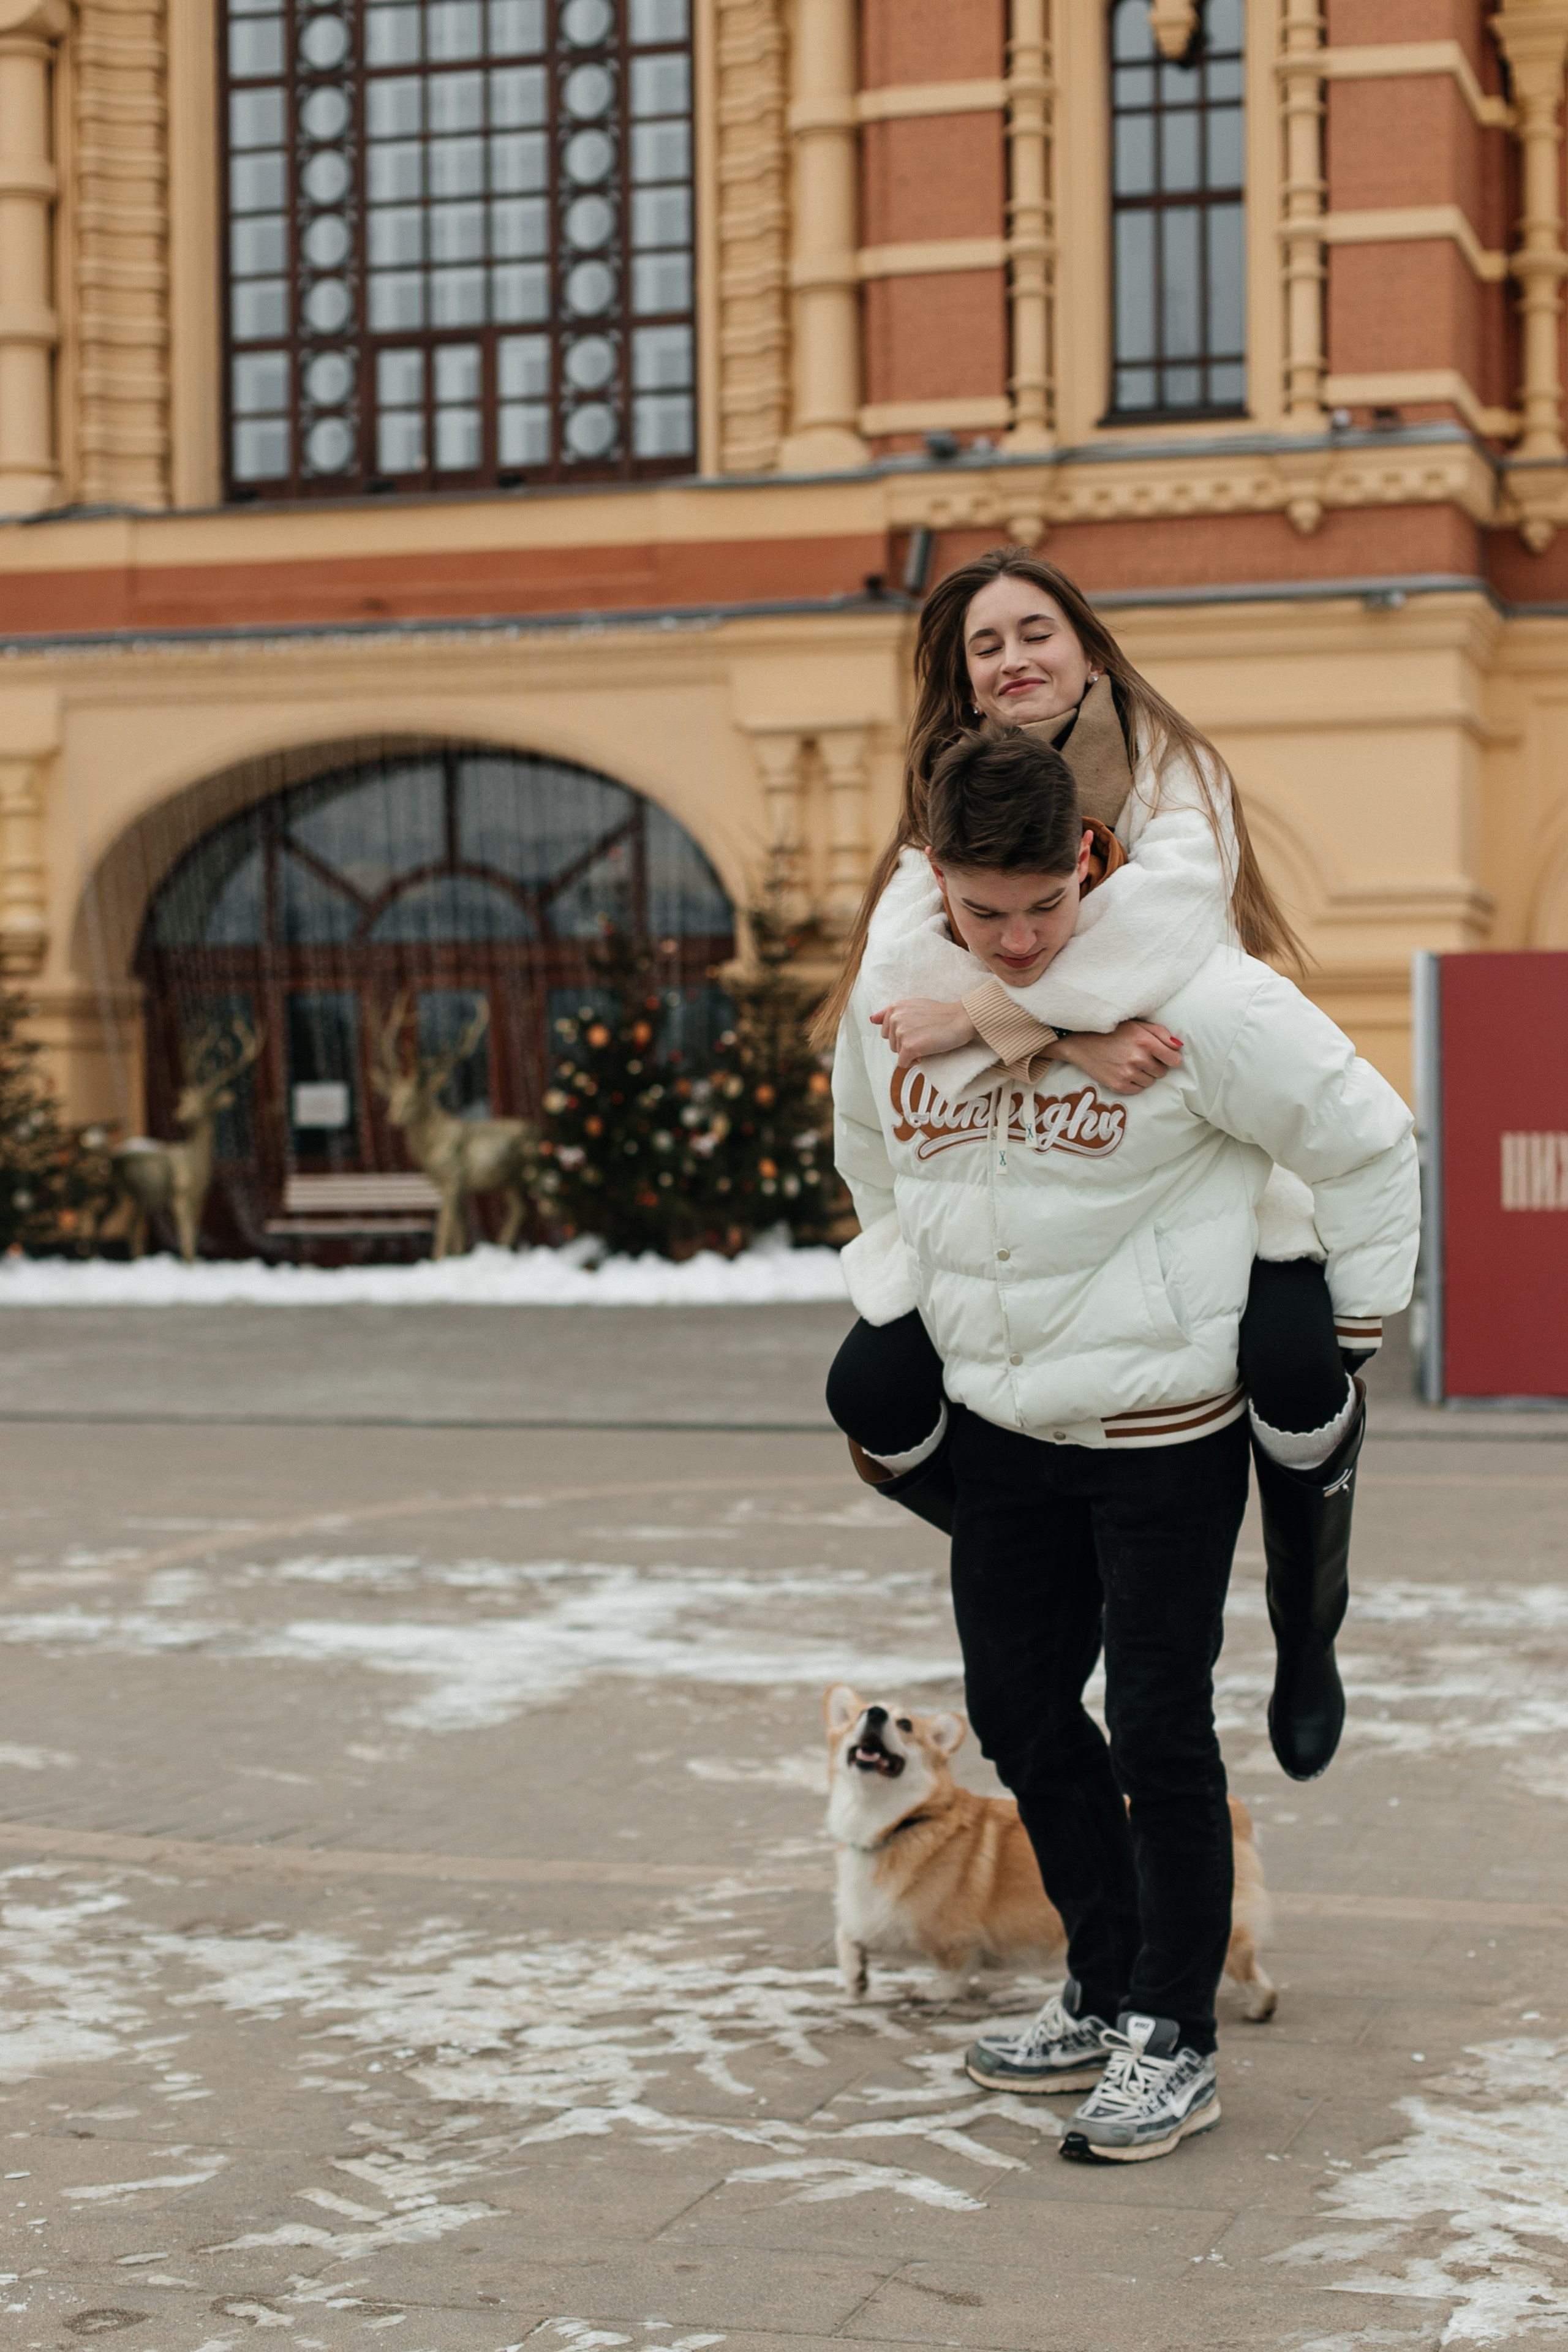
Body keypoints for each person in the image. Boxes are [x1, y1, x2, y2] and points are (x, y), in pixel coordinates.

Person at [829, 725, 1419, 2162]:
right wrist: (906, 1289)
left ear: (1087, 858)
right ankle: (1100, 1980)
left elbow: (1365, 1140)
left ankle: (1175, 2034)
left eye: (1044, 907)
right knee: (1022, 1713)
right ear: (933, 882)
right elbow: (865, 1144)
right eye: (984, 914)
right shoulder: (900, 1002)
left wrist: (1337, 1336)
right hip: (1005, 1424)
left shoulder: (1205, 1000)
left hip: (1162, 1435)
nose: (1018, 941)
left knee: (1156, 1729)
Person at [816, 547, 1378, 1782]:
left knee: (1293, 1371)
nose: (1014, 659)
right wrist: (1056, 1026)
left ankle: (1303, 1622)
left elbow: (1152, 935)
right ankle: (1058, 1575)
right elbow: (894, 984)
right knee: (873, 1395)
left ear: (1084, 643)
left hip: (1202, 1152)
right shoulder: (944, 806)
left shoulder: (1170, 776)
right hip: (1028, 1194)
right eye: (984, 645)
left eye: (1036, 631)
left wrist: (996, 1018)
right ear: (959, 684)